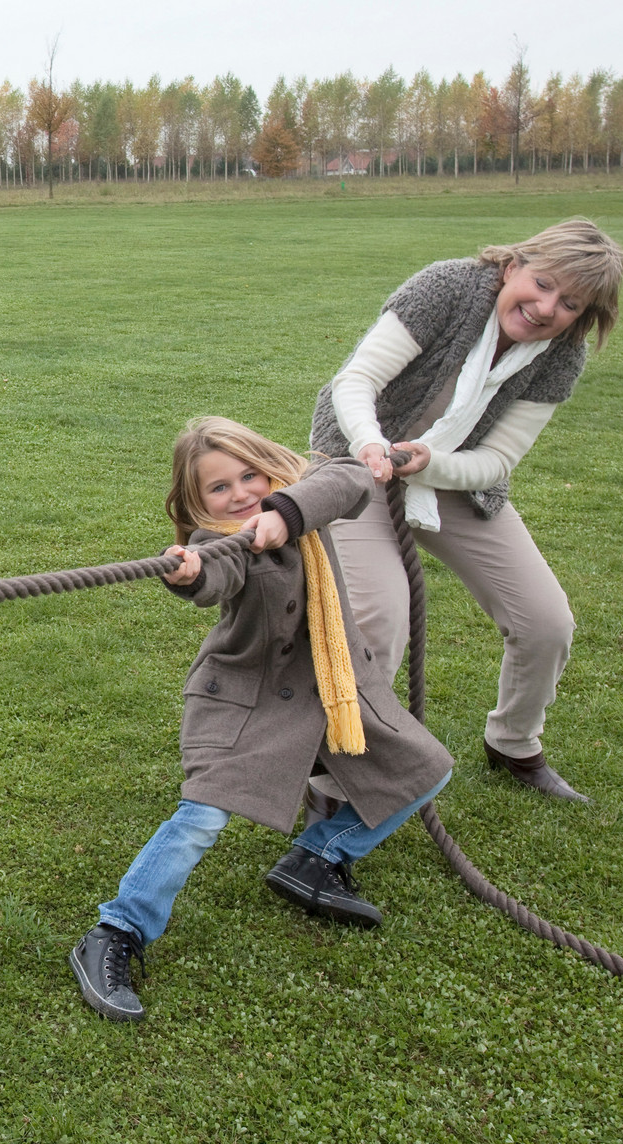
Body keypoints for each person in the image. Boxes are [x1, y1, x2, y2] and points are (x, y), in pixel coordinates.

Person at [68, 418, 454, 1023]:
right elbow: (212, 575)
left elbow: (350, 478)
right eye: (219, 489)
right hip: (248, 702)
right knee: (203, 814)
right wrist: (192, 572)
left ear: (271, 465)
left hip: (337, 691)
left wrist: (284, 513)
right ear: (198, 504)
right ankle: (116, 932)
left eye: (250, 474)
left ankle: (318, 858)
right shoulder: (218, 541)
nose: (241, 494)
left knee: (425, 769)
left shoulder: (306, 498)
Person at [308, 219, 623, 805]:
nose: (545, 307)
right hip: (357, 463)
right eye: (542, 282)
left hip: (447, 478)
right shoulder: (447, 289)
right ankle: (337, 776)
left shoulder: (559, 356)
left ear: (582, 318)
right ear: (513, 268)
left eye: (570, 303)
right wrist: (371, 444)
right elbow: (356, 380)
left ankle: (513, 743)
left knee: (546, 621)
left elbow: (497, 461)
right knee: (379, 618)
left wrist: (427, 461)